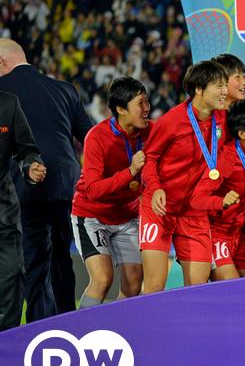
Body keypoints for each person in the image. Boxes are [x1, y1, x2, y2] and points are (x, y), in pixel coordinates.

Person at [0, 38, 92, 319]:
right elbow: (91, 138)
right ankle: (66, 324)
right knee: (61, 258)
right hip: (66, 186)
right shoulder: (64, 89)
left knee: (32, 263)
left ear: (2, 63)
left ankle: (38, 333)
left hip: (20, 188)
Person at [139, 61, 228, 292]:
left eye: (225, 85)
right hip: (159, 208)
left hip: (194, 212)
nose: (224, 91)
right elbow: (149, 158)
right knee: (154, 286)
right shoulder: (171, 121)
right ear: (199, 89)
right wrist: (155, 187)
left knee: (197, 287)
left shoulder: (223, 119)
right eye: (218, 86)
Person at [71, 77, 150, 307]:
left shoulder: (150, 131)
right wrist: (130, 171)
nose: (147, 109)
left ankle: (117, 332)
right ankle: (82, 333)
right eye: (141, 103)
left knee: (134, 283)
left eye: (147, 102)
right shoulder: (97, 137)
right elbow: (93, 190)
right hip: (92, 215)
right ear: (121, 109)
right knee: (103, 279)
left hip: (127, 216)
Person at [191, 99, 245, 278]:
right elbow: (196, 199)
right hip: (217, 236)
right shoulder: (226, 159)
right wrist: (221, 201)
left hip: (240, 234)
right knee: (232, 288)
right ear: (242, 134)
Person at [0, 91, 45, 330]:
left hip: (3, 212)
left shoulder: (8, 103)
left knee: (12, 275)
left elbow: (26, 149)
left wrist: (30, 166)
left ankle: (4, 345)